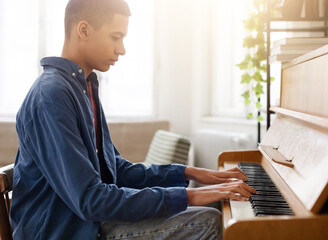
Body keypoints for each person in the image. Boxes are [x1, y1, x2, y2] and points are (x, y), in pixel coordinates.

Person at [10, 0, 256, 239]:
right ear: (83, 30)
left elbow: (117, 170)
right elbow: (89, 199)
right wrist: (189, 196)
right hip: (66, 232)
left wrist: (193, 174)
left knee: (207, 209)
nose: (122, 49)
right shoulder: (51, 95)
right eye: (116, 37)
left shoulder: (83, 87)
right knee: (208, 221)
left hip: (89, 221)